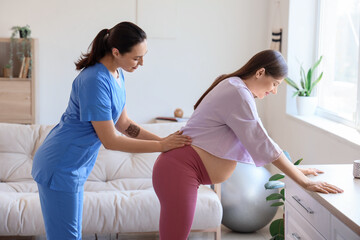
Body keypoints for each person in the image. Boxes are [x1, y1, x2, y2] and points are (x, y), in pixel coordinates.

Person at [152, 49, 343, 240]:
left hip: (180, 170)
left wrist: (295, 170)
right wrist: (305, 182)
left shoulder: (234, 86)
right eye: (275, 83)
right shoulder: (237, 93)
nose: (274, 91)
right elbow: (262, 143)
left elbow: (262, 138)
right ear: (260, 72)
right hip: (178, 170)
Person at [31, 22, 191, 240]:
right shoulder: (94, 81)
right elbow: (110, 140)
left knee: (71, 235)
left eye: (143, 56)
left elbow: (124, 124)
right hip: (60, 164)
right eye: (136, 58)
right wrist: (161, 146)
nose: (142, 63)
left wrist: (162, 140)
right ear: (116, 52)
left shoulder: (117, 74)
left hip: (74, 167)